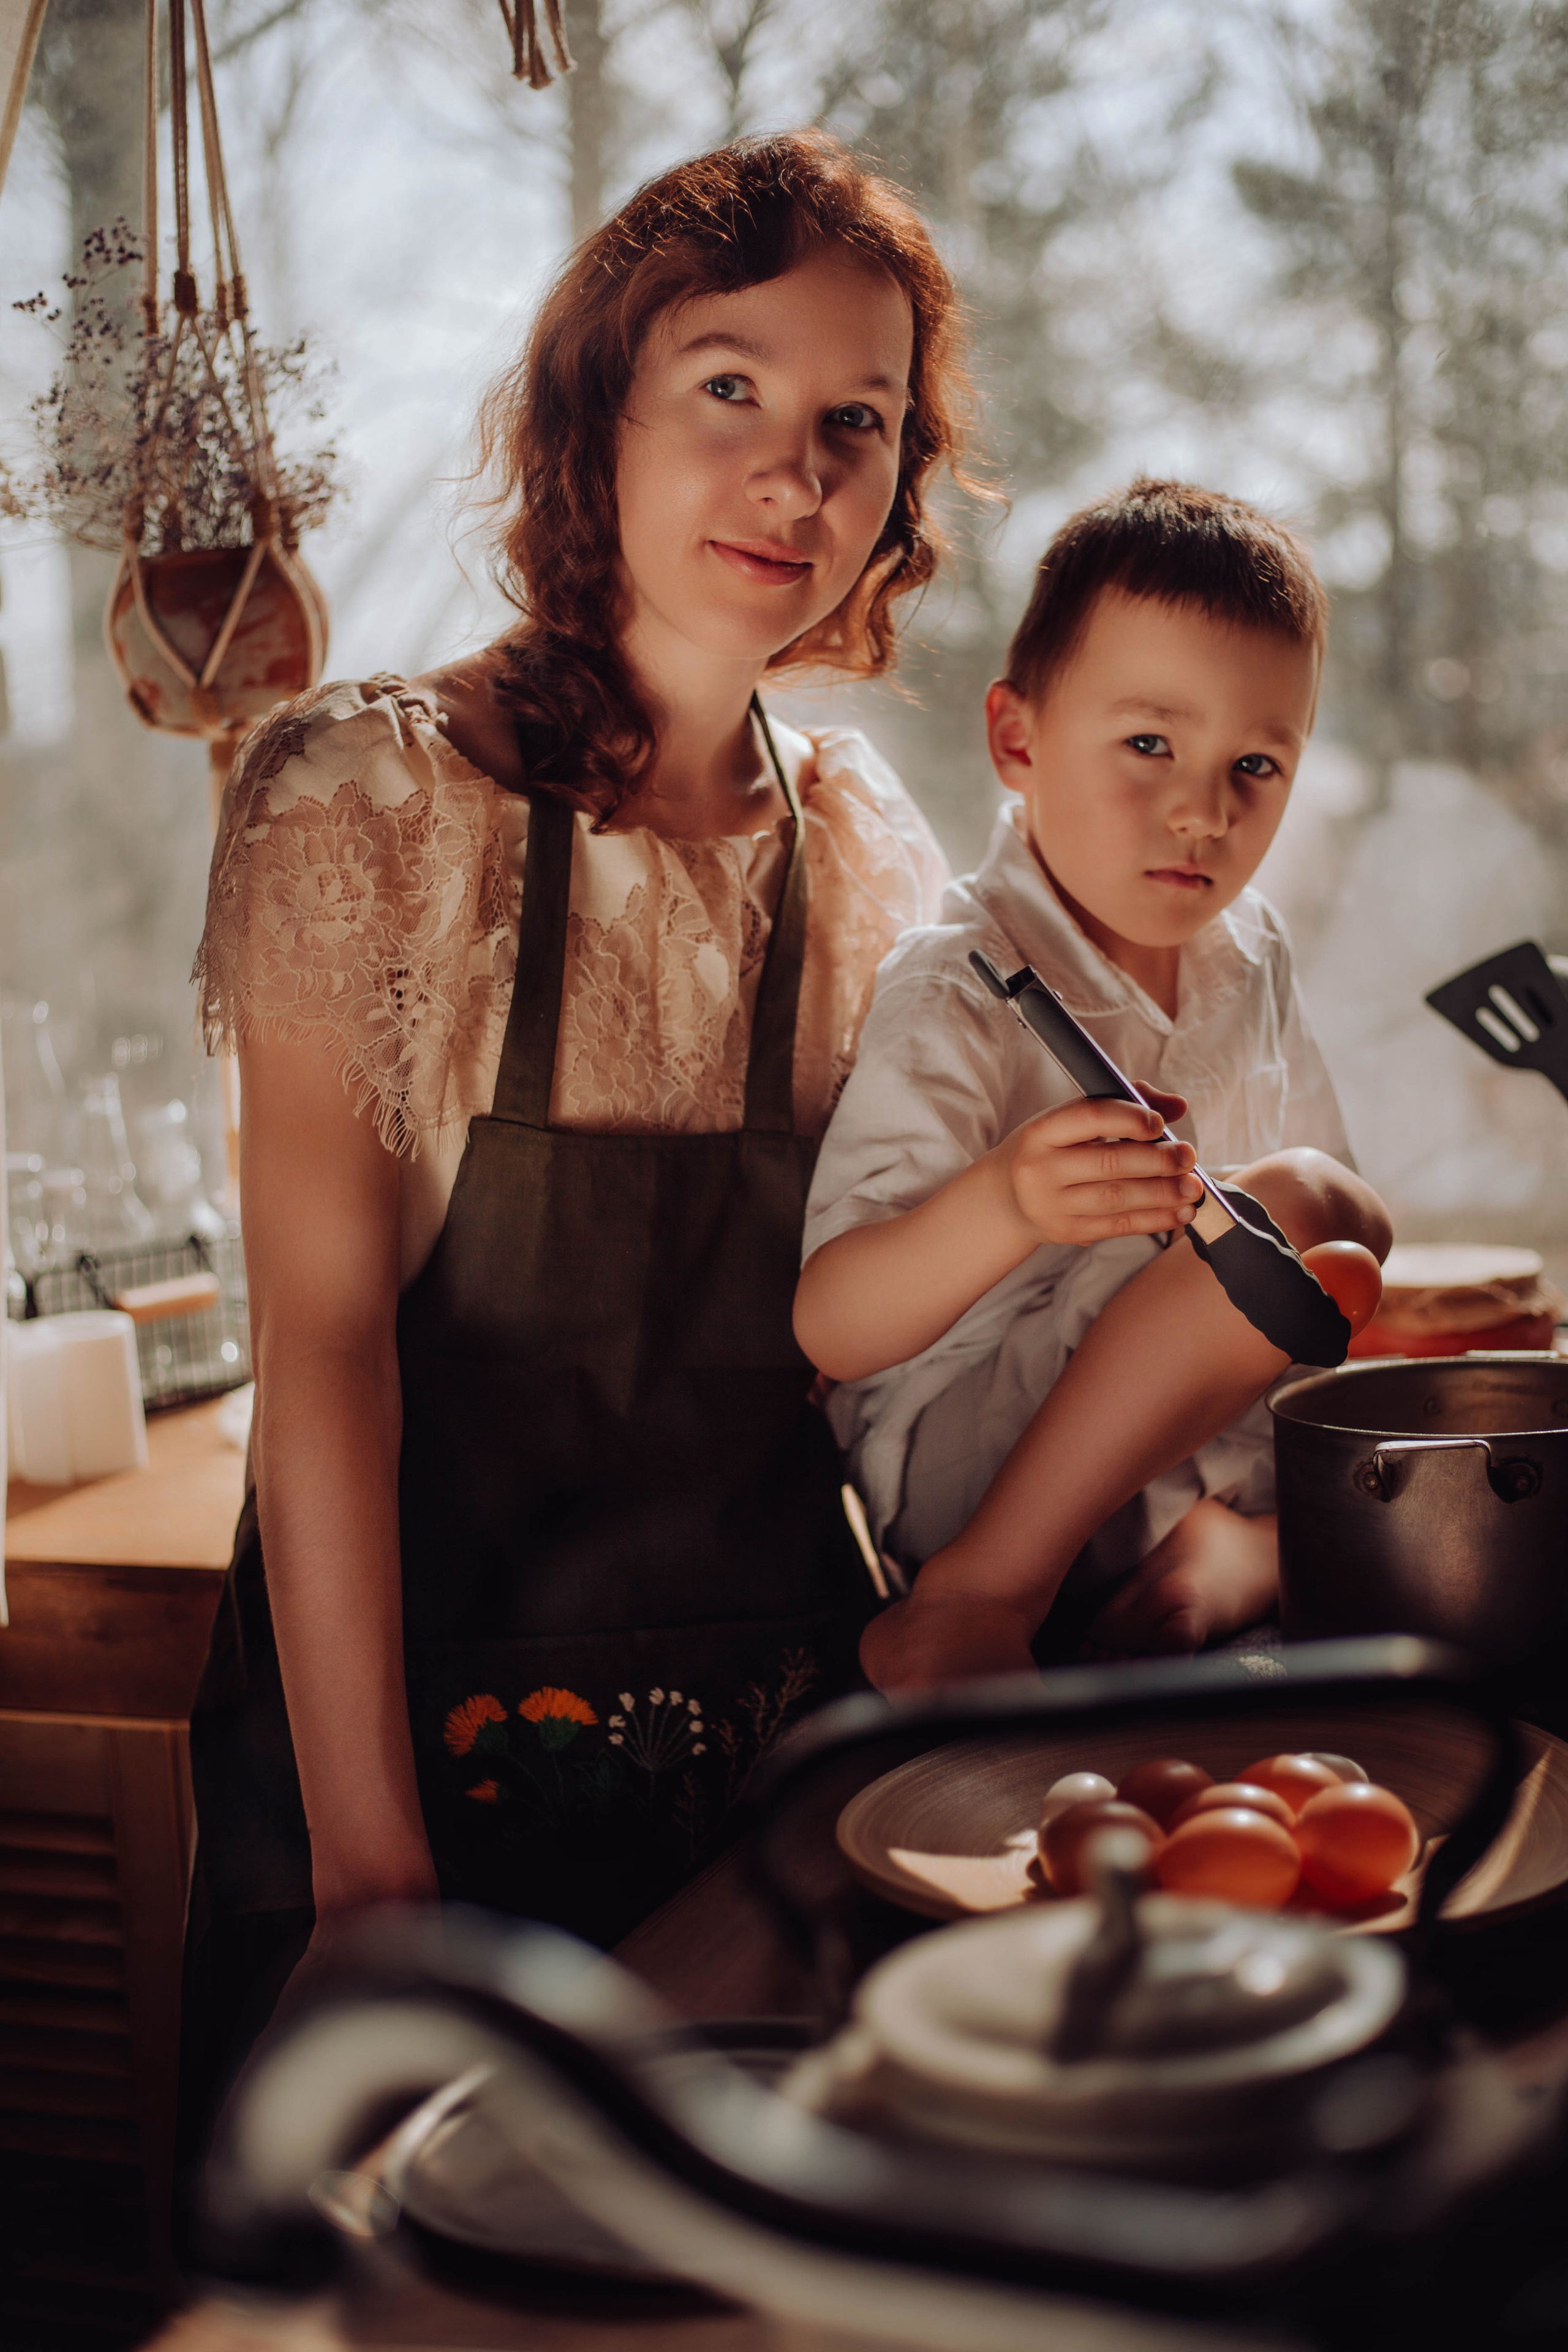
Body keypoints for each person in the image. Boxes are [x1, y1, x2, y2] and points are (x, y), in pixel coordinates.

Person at [181, 130, 963, 2107]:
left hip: (773, 1809)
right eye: (731, 390)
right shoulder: (368, 803)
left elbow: (904, 1322)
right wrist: (374, 1891)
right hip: (416, 1810)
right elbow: (327, 1352)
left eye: (853, 423)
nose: (795, 473)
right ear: (591, 413)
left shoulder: (865, 847)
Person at [794, 480, 1392, 1692]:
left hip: (1169, 1464)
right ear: (1016, 741)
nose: (1201, 810)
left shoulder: (1248, 952)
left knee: (1344, 1232)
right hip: (979, 1475)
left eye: (1255, 765)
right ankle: (981, 1596)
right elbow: (833, 1327)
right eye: (1148, 744)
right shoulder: (959, 982)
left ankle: (1212, 1566)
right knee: (1307, 1207)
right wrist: (1006, 1204)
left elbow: (1313, 1299)